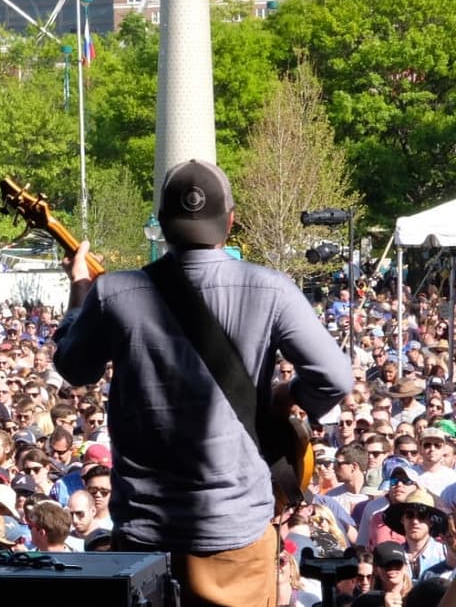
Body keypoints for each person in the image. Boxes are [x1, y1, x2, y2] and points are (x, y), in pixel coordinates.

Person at [54, 160, 354, 607]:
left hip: (145, 538)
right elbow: (334, 377)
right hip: (236, 535)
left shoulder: (113, 292)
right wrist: (288, 396)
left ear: (162, 224)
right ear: (229, 222)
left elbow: (75, 368)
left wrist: (80, 289)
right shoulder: (270, 288)